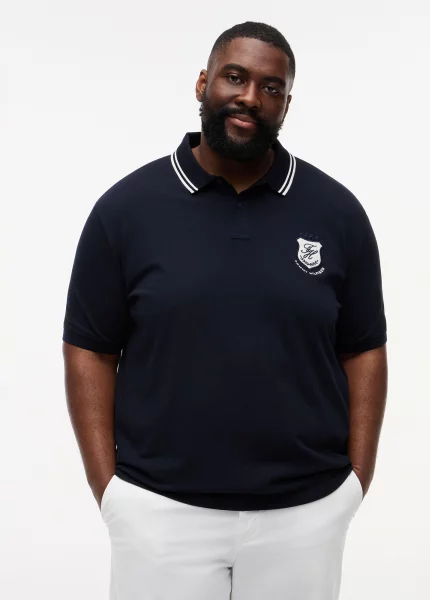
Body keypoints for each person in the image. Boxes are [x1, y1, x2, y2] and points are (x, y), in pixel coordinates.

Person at [62, 20, 388, 600]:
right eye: (235, 77)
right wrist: (109, 490)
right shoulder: (126, 210)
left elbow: (363, 349)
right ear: (202, 83)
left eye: (271, 87)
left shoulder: (337, 214)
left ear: (286, 105)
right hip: (159, 512)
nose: (250, 97)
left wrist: (355, 482)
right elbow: (90, 346)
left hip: (305, 514)